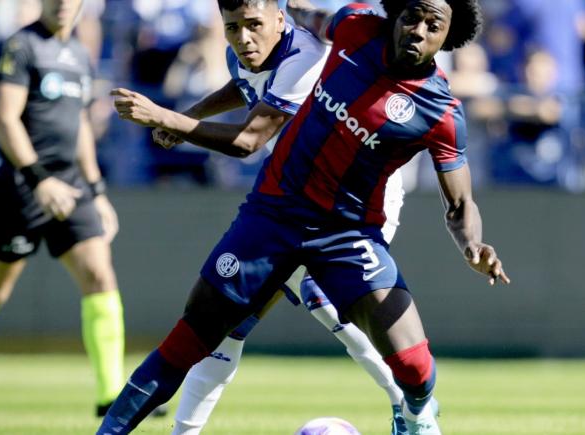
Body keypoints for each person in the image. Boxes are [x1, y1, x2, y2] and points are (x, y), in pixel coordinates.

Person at [100, 0, 509, 434]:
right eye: (411, 17)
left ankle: (413, 413)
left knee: (412, 364)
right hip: (274, 212)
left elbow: (461, 205)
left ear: (448, 36)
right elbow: (305, 23)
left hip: (348, 232)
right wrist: (293, 8)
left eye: (433, 25)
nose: (418, 30)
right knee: (202, 331)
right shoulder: (353, 26)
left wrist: (472, 245)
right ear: (395, 13)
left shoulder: (441, 111)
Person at [0, 0, 134, 419]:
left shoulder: (81, 55)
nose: (64, 4)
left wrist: (97, 189)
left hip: (72, 187)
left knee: (100, 276)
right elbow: (3, 119)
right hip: (20, 187)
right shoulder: (22, 45)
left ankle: (112, 398)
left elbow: (80, 126)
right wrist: (39, 179)